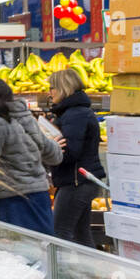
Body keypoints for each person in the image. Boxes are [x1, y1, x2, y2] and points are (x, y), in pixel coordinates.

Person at [0, 78, 62, 235]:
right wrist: (55, 144)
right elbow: (54, 156)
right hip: (39, 196)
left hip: (11, 200)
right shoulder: (27, 119)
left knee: (18, 254)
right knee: (42, 249)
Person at [48, 68, 105, 248]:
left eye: (52, 87)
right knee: (81, 234)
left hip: (76, 181)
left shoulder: (75, 115)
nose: (50, 92)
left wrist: (51, 145)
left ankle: (63, 275)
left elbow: (71, 151)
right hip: (81, 180)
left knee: (60, 233)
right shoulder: (75, 113)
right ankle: (90, 274)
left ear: (63, 88)